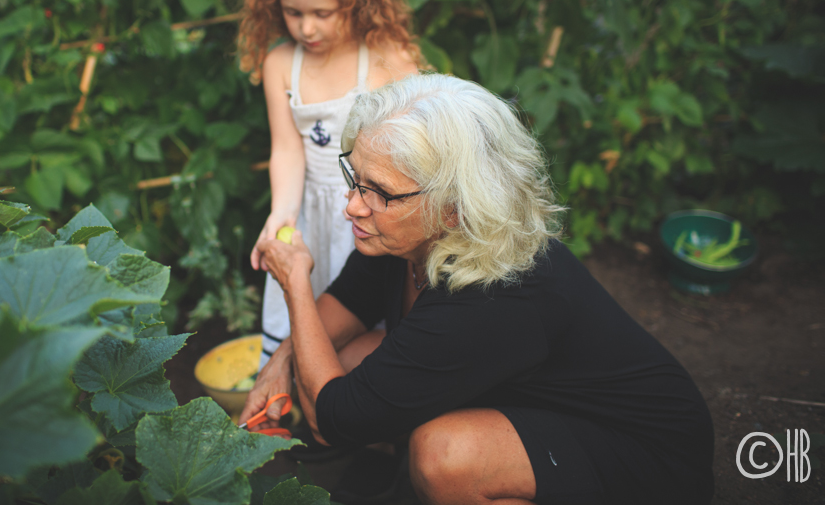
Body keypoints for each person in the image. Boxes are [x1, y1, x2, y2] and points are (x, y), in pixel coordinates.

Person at [242, 73, 715, 505]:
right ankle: (397, 470)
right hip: (534, 402)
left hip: (643, 458)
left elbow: (332, 420)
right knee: (340, 358)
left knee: (444, 455)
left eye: (378, 192)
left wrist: (295, 285)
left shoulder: (492, 295)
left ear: (454, 209)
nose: (353, 206)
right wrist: (279, 364)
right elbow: (346, 304)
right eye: (355, 179)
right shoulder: (403, 236)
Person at [235, 0, 423, 368]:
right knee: (302, 313)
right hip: (311, 216)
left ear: (354, 0)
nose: (307, 29)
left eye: (323, 13)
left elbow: (420, 147)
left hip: (367, 212)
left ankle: (355, 412)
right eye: (293, 13)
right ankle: (295, 405)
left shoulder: (384, 57)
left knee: (359, 325)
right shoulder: (281, 63)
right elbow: (287, 148)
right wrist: (282, 213)